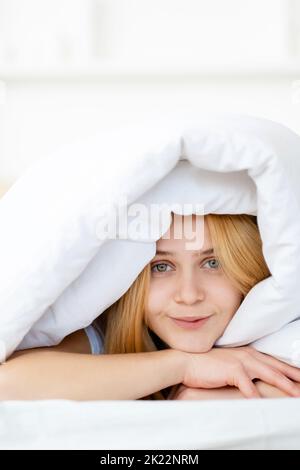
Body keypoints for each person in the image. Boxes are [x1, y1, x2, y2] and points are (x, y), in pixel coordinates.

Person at [0, 212, 300, 401]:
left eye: (213, 262)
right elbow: (8, 385)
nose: (189, 295)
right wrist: (184, 366)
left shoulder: (279, 334)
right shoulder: (105, 331)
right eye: (161, 267)